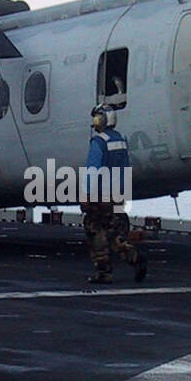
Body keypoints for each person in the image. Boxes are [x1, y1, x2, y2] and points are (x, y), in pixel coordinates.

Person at [81, 105, 146, 285]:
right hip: (117, 195)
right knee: (115, 233)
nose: (95, 122)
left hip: (100, 196)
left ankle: (104, 272)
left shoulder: (99, 142)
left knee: (95, 231)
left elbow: (92, 170)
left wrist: (86, 194)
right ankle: (134, 258)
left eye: (97, 118)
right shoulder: (121, 141)